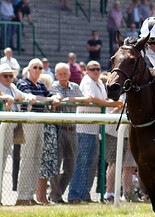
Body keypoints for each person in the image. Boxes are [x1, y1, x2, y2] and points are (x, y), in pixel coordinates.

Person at [69, 60, 122, 203]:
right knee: (83, 161)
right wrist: (113, 104)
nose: (96, 71)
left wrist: (113, 103)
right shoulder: (87, 81)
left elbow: (102, 99)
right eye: (92, 69)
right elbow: (93, 99)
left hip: (94, 127)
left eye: (98, 68)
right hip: (85, 127)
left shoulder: (98, 83)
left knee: (91, 163)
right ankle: (75, 194)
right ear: (87, 71)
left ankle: (84, 194)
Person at [16, 58, 62, 205]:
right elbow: (33, 97)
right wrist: (50, 100)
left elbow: (49, 96)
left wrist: (53, 98)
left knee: (37, 160)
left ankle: (30, 196)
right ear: (29, 69)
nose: (37, 70)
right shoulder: (23, 83)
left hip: (40, 122)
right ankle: (23, 196)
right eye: (35, 67)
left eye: (40, 68)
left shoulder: (41, 84)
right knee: (28, 158)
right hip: (29, 122)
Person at [49, 62, 90, 203]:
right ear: (55, 75)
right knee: (56, 164)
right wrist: (73, 100)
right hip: (59, 129)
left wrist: (73, 99)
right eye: (59, 74)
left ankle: (57, 193)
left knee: (71, 167)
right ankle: (56, 196)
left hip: (72, 130)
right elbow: (59, 98)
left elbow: (87, 99)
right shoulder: (54, 86)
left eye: (65, 74)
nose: (62, 77)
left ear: (69, 75)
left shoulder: (75, 87)